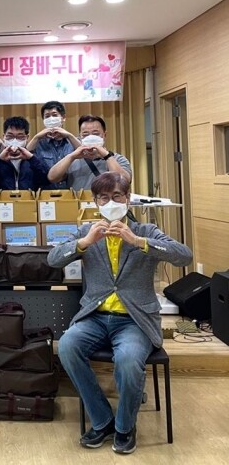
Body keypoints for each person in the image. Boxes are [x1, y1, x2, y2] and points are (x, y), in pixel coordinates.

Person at [47, 172, 192, 455]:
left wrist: (138, 241)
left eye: (117, 196)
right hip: (95, 316)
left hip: (134, 320)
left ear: (127, 198)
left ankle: (125, 427)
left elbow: (183, 255)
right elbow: (52, 259)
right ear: (95, 201)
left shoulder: (146, 230)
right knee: (67, 346)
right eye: (104, 198)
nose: (111, 202)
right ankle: (102, 420)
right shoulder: (87, 230)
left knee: (127, 360)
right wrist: (84, 243)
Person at [48, 115, 132, 190]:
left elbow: (124, 181)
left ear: (104, 135)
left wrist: (106, 155)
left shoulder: (118, 159)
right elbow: (52, 177)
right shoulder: (73, 161)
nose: (91, 137)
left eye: (96, 134)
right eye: (85, 134)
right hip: (79, 202)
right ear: (80, 136)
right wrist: (71, 156)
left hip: (107, 202)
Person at [26, 100, 81, 190]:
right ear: (43, 120)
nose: (51, 118)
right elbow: (25, 156)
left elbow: (85, 153)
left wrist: (69, 135)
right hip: (45, 192)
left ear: (63, 117)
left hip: (70, 191)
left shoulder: (73, 140)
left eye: (54, 115)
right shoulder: (38, 142)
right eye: (47, 116)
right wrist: (36, 137)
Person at [0, 116, 50, 191]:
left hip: (28, 198)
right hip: (3, 198)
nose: (15, 140)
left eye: (20, 137)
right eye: (10, 136)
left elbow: (46, 181)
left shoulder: (35, 158)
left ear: (27, 138)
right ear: (4, 137)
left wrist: (31, 159)